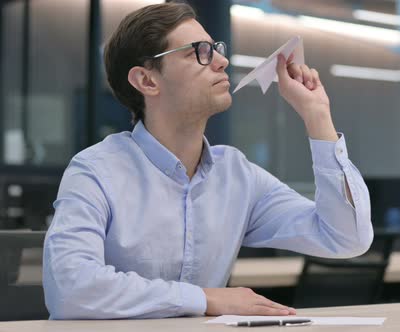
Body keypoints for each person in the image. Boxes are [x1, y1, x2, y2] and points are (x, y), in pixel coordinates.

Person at [43, 2, 372, 319]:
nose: (221, 61)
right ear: (147, 80)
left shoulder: (237, 176)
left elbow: (344, 239)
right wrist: (206, 298)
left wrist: (318, 117)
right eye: (198, 52)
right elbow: (71, 289)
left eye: (216, 48)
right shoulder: (96, 171)